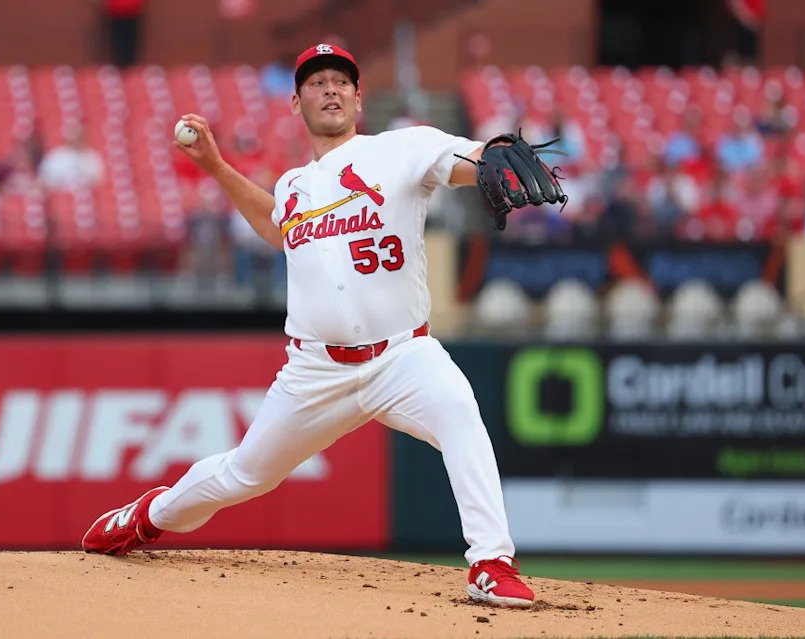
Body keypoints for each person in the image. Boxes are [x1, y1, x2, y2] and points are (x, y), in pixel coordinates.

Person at [81, 42, 535, 609]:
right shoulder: (295, 186)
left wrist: (492, 154)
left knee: (461, 415)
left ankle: (491, 562)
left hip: (403, 357)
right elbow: (278, 231)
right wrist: (219, 169)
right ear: (296, 103)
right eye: (316, 82)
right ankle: (149, 516)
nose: (330, 90)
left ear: (358, 97)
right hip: (315, 370)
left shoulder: (400, 148)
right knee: (245, 475)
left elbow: (469, 160)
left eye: (340, 81)